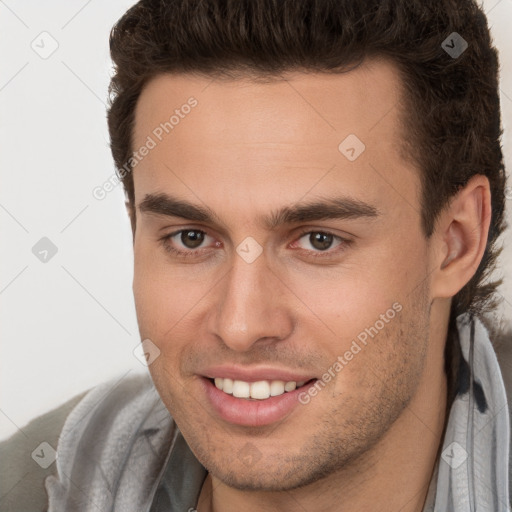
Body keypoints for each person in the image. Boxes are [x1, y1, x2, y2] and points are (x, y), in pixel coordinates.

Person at [1, 0, 511, 510]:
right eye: (191, 238)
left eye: (319, 240)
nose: (240, 326)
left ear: (455, 241)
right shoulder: (34, 481)